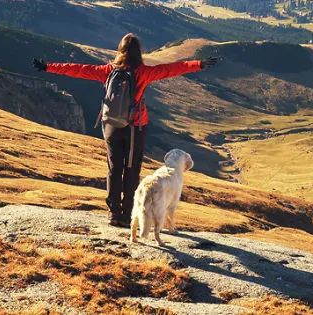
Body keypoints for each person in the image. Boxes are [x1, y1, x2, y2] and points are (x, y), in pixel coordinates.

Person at [33, 33, 217, 227]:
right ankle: (128, 213)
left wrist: (48, 67)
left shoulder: (108, 71)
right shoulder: (142, 72)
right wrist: (199, 64)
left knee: (114, 169)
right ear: (139, 52)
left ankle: (114, 213)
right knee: (131, 170)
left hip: (112, 126)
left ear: (120, 50)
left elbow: (78, 70)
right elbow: (171, 69)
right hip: (135, 127)